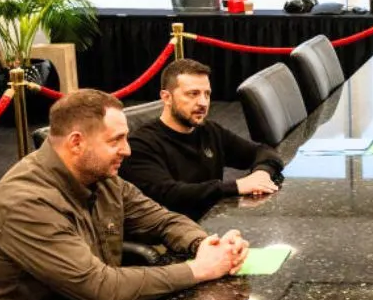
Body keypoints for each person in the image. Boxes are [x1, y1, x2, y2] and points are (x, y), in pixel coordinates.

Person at [0, 90, 248, 300]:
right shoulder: (25, 203)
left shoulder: (99, 175)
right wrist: (198, 269)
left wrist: (204, 244)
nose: (127, 150)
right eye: (116, 140)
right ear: (77, 143)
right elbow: (102, 288)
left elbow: (161, 219)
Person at [119, 59, 283, 220]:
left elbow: (264, 152)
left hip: (213, 223)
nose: (203, 103)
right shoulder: (140, 145)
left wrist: (262, 173)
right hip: (170, 238)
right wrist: (237, 186)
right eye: (193, 94)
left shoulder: (209, 131)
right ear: (166, 97)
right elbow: (171, 194)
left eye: (207, 94)